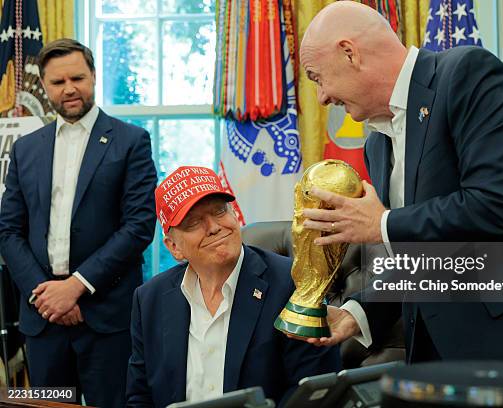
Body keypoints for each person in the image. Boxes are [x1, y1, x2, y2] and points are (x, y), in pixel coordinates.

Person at [296, 2, 503, 376]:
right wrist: (357, 312)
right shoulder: (376, 145)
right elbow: (434, 258)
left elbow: (499, 203)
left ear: (350, 53)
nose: (322, 98)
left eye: (317, 78)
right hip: (440, 366)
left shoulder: (467, 74)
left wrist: (383, 225)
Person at [0, 39, 157, 406]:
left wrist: (76, 287)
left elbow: (138, 226)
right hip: (43, 321)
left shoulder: (131, 141)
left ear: (93, 77)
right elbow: (8, 230)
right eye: (58, 82)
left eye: (77, 78)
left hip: (106, 317)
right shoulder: (26, 148)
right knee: (48, 404)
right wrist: (47, 294)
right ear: (45, 86)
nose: (69, 88)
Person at [126, 166, 341, 407]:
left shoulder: (293, 283)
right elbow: (140, 397)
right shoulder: (149, 299)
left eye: (219, 211)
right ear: (174, 247)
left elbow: (314, 391)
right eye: (193, 222)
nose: (214, 227)